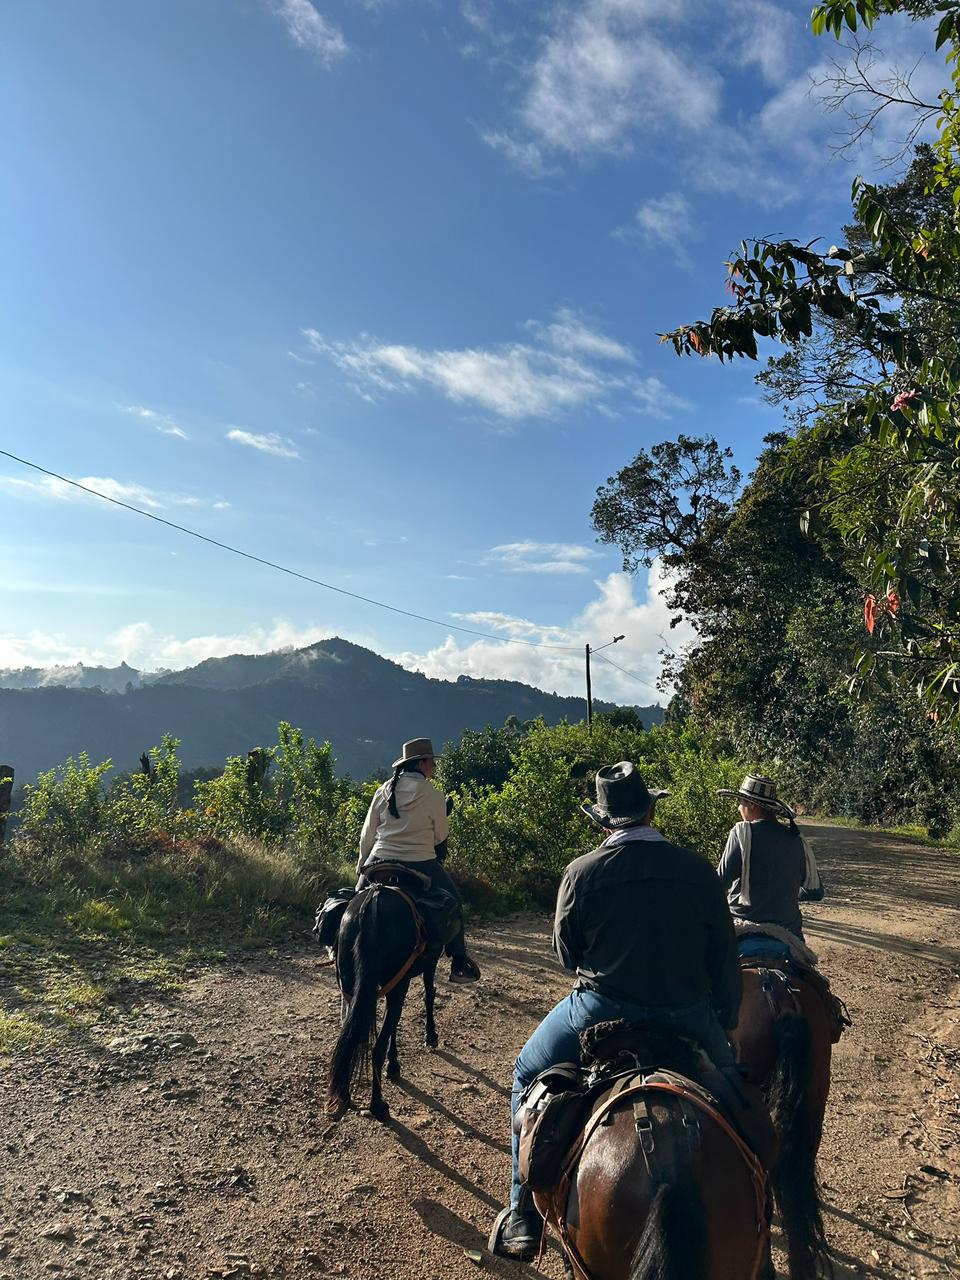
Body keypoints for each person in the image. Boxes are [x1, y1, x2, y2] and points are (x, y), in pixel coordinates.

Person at [489, 761, 745, 1261]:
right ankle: (760, 1199)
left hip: (599, 1010)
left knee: (525, 1070)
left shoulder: (581, 872)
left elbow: (568, 955)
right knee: (737, 1093)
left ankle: (522, 1214)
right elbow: (724, 959)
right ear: (652, 811)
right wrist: (726, 1020)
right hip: (687, 1013)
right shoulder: (697, 869)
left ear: (603, 822)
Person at [357, 737, 480, 984]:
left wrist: (361, 866)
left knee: (355, 899)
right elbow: (440, 835)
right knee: (455, 903)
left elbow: (367, 834)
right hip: (420, 860)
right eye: (432, 762)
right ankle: (459, 962)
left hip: (380, 857)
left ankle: (338, 944)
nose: (434, 766)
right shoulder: (433, 795)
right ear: (421, 763)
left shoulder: (383, 790)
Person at [716, 774, 824, 955]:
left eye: (741, 802)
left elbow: (718, 884)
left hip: (741, 927)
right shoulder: (797, 841)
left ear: (752, 805)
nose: (739, 807)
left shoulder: (742, 832)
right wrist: (783, 894)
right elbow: (816, 892)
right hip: (789, 933)